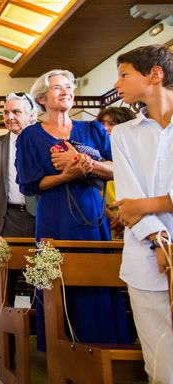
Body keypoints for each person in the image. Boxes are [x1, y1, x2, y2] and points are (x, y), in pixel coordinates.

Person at [16, 69, 131, 350]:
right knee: (59, 278)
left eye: (69, 87)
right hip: (54, 214)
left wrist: (86, 163)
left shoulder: (91, 130)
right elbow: (29, 184)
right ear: (42, 98)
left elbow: (119, 168)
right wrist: (67, 175)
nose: (65, 91)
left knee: (97, 272)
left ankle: (103, 344)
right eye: (57, 88)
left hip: (91, 213)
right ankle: (61, 345)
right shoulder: (30, 136)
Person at [111, 45, 173, 382]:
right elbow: (128, 197)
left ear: (155, 74)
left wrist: (149, 204)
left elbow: (138, 204)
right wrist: (158, 241)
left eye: (124, 75)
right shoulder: (124, 134)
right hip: (145, 251)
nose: (118, 85)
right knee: (158, 352)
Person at [0, 93, 38, 243]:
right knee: (6, 266)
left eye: (16, 112)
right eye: (6, 112)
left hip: (38, 216)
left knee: (39, 264)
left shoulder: (42, 144)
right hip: (5, 220)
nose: (9, 117)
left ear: (30, 116)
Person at [95, 106, 136, 239]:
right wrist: (112, 217)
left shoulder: (137, 155)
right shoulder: (94, 156)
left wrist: (124, 216)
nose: (105, 128)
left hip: (136, 216)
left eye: (111, 124)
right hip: (101, 217)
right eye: (102, 124)